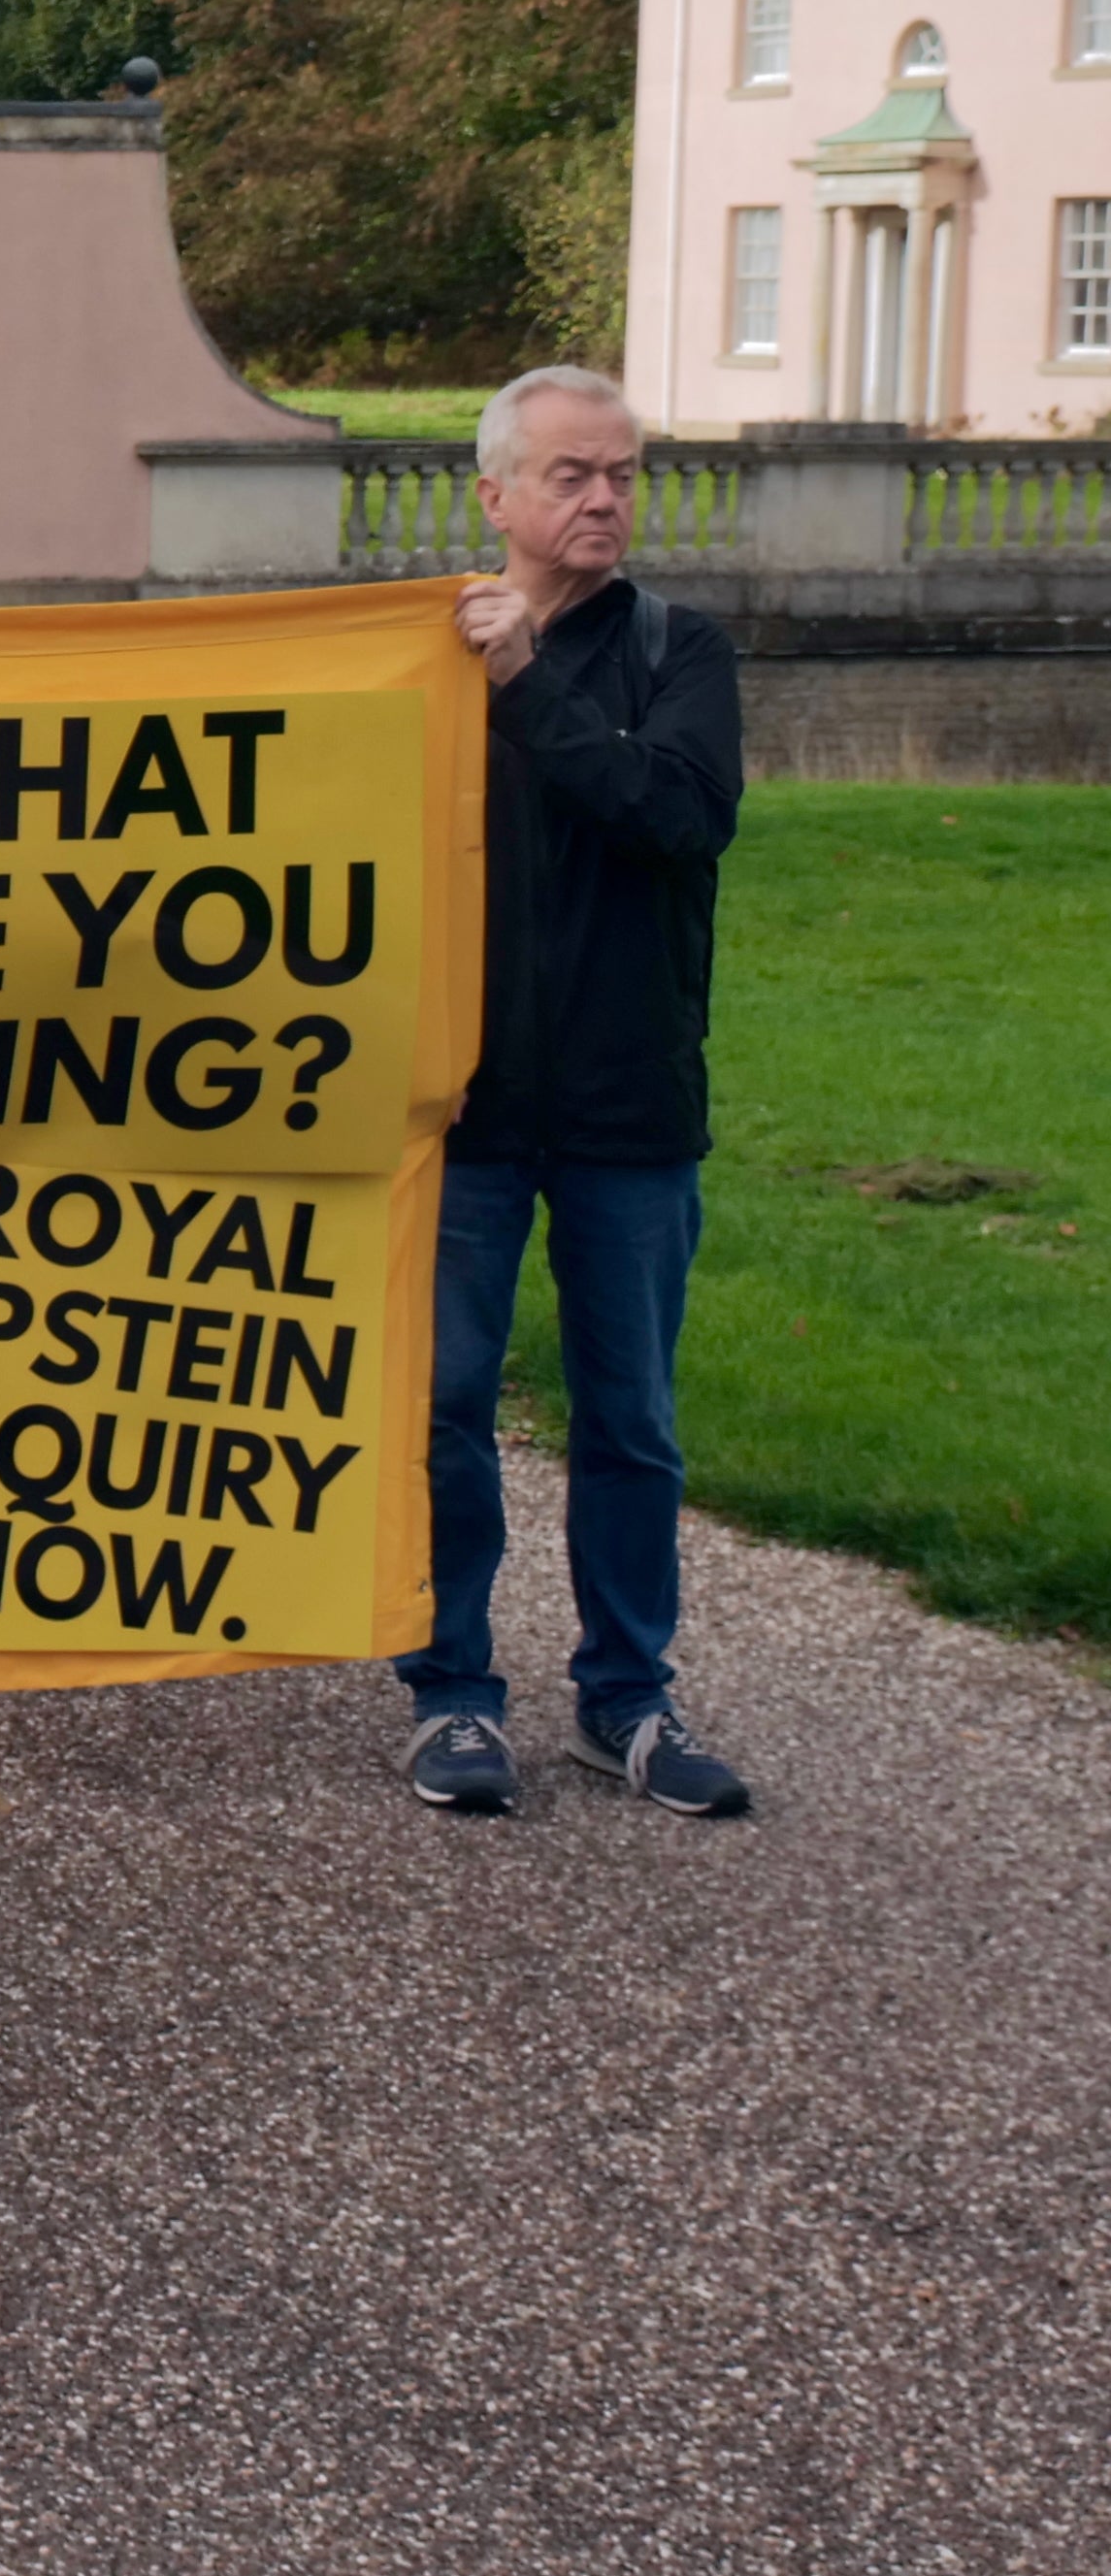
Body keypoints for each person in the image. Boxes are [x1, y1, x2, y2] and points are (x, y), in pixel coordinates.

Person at [400, 368, 752, 1821]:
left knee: (632, 1421)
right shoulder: (416, 659)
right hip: (467, 1112)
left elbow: (674, 811)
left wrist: (527, 688)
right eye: (570, 475)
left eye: (621, 475)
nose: (603, 499)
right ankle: (452, 1695)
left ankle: (628, 1697)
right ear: (495, 496)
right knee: (445, 1409)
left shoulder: (682, 650)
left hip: (628, 1117)